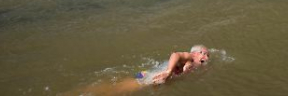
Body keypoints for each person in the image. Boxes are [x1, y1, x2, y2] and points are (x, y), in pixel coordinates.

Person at [71, 45, 209, 95]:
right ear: (198, 52)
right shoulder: (190, 57)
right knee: (115, 90)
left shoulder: (192, 63)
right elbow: (175, 54)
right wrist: (168, 72)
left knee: (117, 87)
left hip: (147, 73)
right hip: (150, 75)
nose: (206, 58)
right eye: (205, 54)